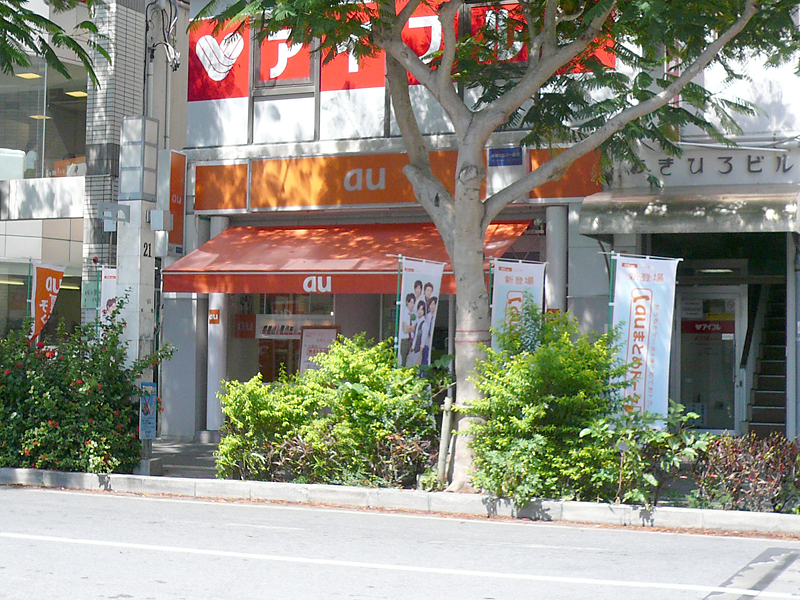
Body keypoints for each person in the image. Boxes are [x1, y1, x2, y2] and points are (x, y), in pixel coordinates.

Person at [408, 300, 427, 367]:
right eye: (419, 309)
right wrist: (409, 352)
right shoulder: (417, 322)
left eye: (421, 309)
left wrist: (419, 357)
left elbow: (423, 342)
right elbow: (414, 338)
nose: (419, 311)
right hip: (413, 351)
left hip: (418, 351)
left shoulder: (424, 324)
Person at [399, 293, 416, 366]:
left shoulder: (413, 313)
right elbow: (405, 329)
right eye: (410, 302)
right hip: (405, 340)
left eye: (413, 303)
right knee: (404, 361)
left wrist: (410, 328)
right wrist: (411, 328)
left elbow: (415, 328)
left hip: (412, 340)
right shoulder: (404, 312)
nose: (412, 305)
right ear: (407, 302)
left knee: (411, 361)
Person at [421, 296, 438, 365]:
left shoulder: (435, 316)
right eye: (431, 304)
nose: (432, 306)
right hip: (426, 341)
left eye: (434, 304)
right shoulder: (428, 316)